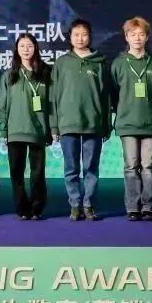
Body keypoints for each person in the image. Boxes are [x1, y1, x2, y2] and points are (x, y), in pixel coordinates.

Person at [51, 19, 109, 221]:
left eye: (84, 34)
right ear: (70, 37)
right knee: (71, 168)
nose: (80, 38)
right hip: (67, 123)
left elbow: (105, 97)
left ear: (90, 36)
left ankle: (89, 204)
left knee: (91, 168)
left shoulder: (99, 62)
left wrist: (106, 125)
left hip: (93, 123)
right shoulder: (62, 63)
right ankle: (75, 205)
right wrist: (54, 126)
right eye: (76, 34)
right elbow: (54, 96)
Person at [111, 17, 152, 222]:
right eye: (133, 34)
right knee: (131, 167)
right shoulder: (119, 63)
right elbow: (113, 93)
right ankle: (132, 206)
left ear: (147, 37)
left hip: (150, 122)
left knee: (148, 167)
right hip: (127, 123)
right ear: (126, 37)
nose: (137, 38)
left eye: (141, 34)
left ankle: (148, 206)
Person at [0, 33, 53, 220]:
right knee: (17, 173)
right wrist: (3, 130)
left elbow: (52, 104)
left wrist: (51, 128)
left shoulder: (45, 74)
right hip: (15, 131)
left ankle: (37, 208)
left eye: (29, 45)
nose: (26, 49)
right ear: (16, 50)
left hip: (38, 131)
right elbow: (3, 106)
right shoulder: (9, 76)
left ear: (35, 48)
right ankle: (22, 209)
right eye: (22, 46)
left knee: (38, 174)